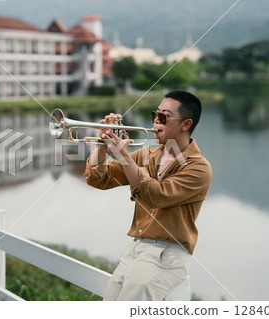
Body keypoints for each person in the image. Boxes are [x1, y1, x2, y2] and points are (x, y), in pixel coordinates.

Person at [84, 90, 212, 301]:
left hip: (168, 254)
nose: (155, 121)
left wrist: (124, 156)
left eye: (163, 117)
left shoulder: (199, 168)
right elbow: (99, 179)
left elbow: (156, 196)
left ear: (186, 124)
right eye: (155, 114)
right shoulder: (147, 155)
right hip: (137, 248)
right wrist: (102, 144)